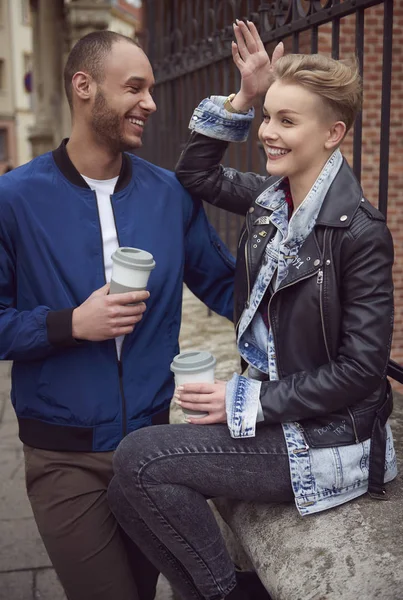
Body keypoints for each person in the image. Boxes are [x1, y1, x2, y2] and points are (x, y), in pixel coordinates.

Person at [108, 20, 398, 600]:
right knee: (126, 485)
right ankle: (220, 590)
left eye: (286, 121)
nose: (267, 132)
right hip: (278, 418)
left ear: (333, 133)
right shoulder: (272, 201)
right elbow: (196, 174)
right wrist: (243, 96)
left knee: (139, 461)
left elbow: (361, 371)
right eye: (268, 116)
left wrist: (241, 399)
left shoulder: (360, 233)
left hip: (328, 440)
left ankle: (228, 593)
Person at [0, 31, 235, 600]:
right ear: (84, 87)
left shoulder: (169, 194)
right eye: (135, 88)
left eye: (152, 89)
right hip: (64, 456)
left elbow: (229, 287)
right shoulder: (14, 198)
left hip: (150, 451)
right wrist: (69, 324)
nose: (151, 104)